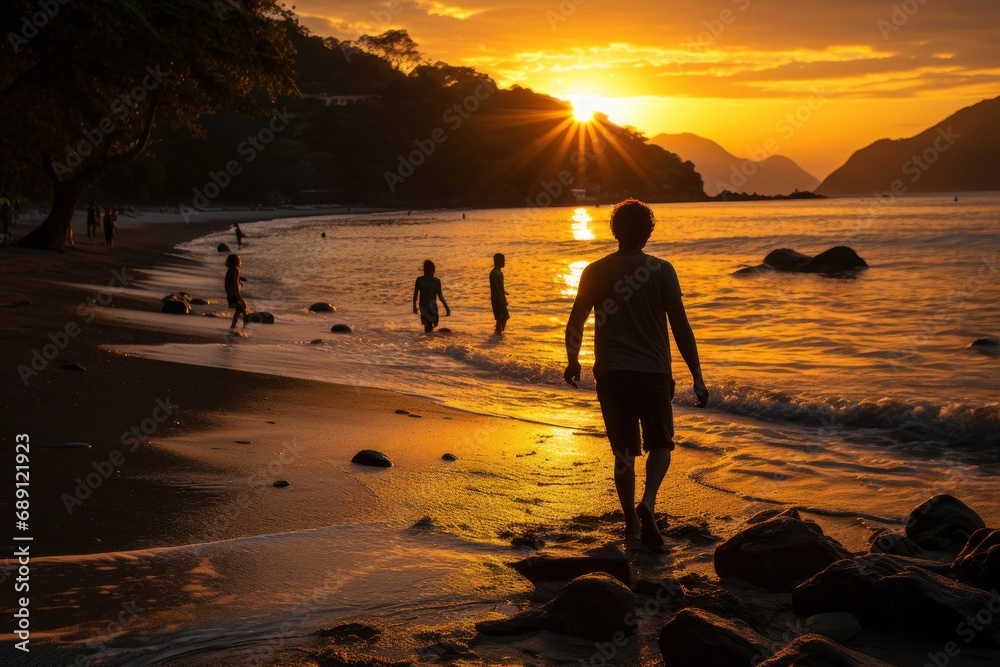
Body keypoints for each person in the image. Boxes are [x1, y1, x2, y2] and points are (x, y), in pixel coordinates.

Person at [563, 199, 708, 550]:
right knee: (661, 444)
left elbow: (575, 321)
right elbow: (681, 328)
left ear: (615, 231)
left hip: (612, 374)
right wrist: (697, 376)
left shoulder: (594, 270)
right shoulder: (661, 270)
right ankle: (649, 503)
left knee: (623, 453)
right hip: (653, 373)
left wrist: (572, 360)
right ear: (649, 231)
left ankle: (630, 522)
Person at [413, 259, 450, 333]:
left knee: (428, 326)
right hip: (431, 306)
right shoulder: (436, 281)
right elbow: (440, 296)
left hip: (424, 306)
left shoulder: (420, 280)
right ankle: (428, 340)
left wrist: (414, 307)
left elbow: (415, 295)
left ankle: (427, 340)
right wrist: (447, 308)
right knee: (430, 325)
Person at [225, 254, 249, 330]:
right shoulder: (236, 270)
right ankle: (245, 327)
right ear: (237, 262)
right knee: (243, 308)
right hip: (235, 295)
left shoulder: (230, 269)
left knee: (238, 310)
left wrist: (240, 278)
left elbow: (231, 279)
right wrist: (239, 298)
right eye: (239, 260)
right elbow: (235, 284)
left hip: (230, 295)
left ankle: (233, 326)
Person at [490, 253, 510, 334]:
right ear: (497, 261)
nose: (504, 262)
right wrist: (502, 300)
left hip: (499, 297)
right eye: (503, 261)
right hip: (497, 299)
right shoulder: (494, 273)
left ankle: (499, 333)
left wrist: (503, 291)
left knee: (504, 317)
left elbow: (499, 286)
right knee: (502, 317)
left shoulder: (498, 272)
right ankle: (498, 332)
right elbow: (495, 288)